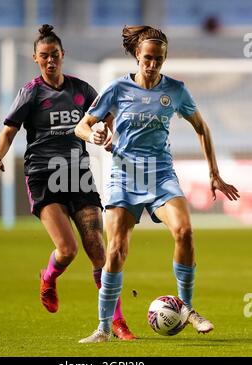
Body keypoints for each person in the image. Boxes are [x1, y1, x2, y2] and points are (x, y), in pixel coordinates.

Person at [75, 25, 240, 343]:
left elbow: (202, 128)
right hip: (124, 177)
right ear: (137, 55)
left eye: (159, 60)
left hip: (161, 175)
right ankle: (104, 328)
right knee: (115, 251)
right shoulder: (117, 89)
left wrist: (214, 173)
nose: (152, 65)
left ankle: (188, 309)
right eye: (148, 58)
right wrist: (93, 134)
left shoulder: (176, 90)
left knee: (185, 231)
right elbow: (83, 126)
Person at [0, 24, 135, 340]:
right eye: (44, 56)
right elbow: (8, 131)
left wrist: (108, 132)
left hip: (78, 174)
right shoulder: (31, 92)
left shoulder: (81, 90)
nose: (50, 61)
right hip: (43, 176)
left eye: (55, 55)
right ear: (36, 59)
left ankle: (117, 322)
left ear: (62, 55)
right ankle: (49, 276)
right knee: (67, 250)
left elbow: (105, 115)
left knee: (99, 251)